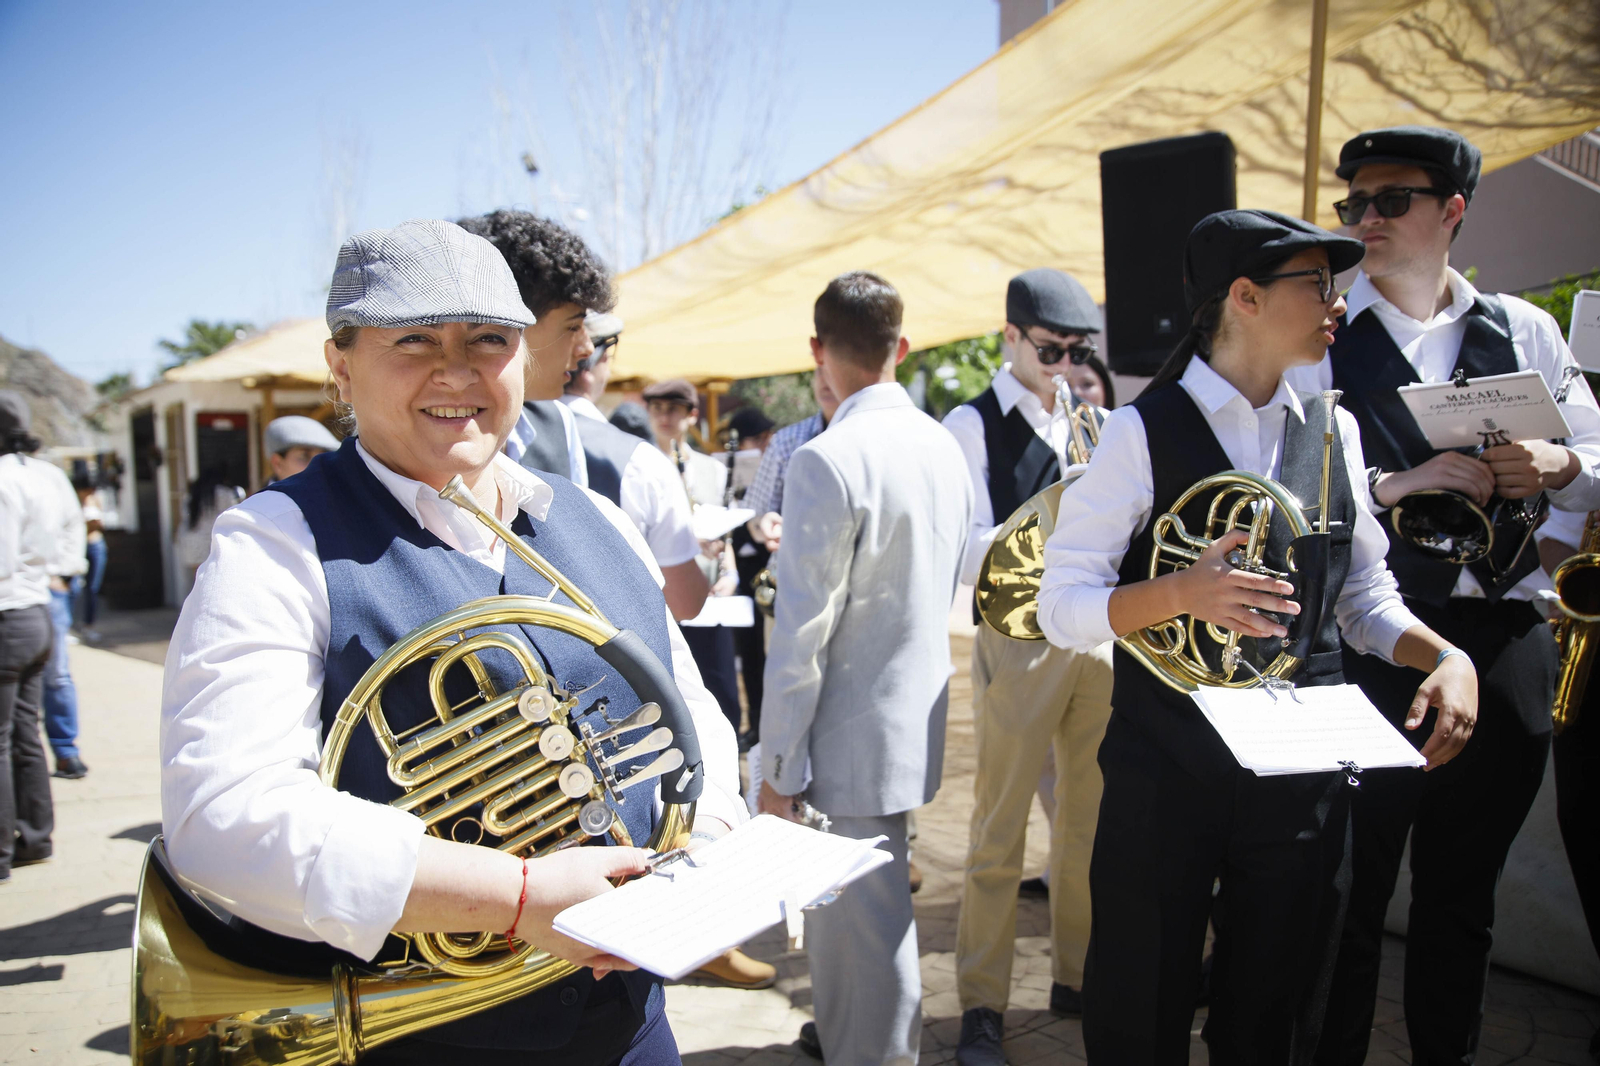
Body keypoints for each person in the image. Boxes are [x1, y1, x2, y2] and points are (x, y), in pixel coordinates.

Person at [161, 219, 745, 1063]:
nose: (458, 371)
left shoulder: (599, 519)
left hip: (632, 1025)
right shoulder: (274, 544)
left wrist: (710, 834)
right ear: (339, 365)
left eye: (488, 340)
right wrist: (516, 896)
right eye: (414, 341)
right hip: (429, 1038)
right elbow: (225, 814)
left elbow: (689, 713)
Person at [1037, 209, 1480, 1064]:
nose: (1337, 302)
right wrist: (1181, 592)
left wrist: (1445, 656)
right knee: (1140, 1005)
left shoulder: (1334, 430)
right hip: (1165, 766)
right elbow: (1062, 608)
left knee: (1276, 1011)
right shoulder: (1137, 431)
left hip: (1298, 771)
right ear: (1243, 297)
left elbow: (1362, 595)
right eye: (1316, 284)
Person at [1280, 127, 1600, 1066]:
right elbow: (1283, 474)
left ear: (1453, 210)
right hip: (1366, 642)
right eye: (1354, 205)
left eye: (1391, 201)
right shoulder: (1322, 333)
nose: (1365, 220)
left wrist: (1559, 463)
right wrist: (1392, 486)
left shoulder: (1526, 330)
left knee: (1464, 901)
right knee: (1347, 895)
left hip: (1501, 637)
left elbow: (1594, 459)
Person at [759, 271, 973, 1066]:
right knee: (862, 931)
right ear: (901, 347)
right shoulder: (943, 445)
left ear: (817, 351)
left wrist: (777, 766)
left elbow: (801, 635)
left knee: (866, 937)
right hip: (911, 720)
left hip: (844, 740)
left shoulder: (828, 458)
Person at [945, 267, 1114, 1064]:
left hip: (1098, 636)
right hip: (1018, 638)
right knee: (999, 825)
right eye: (1051, 350)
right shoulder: (970, 423)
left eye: (1079, 352)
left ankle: (1078, 976)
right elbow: (967, 551)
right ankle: (982, 1001)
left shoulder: (1092, 418)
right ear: (1010, 336)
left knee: (1089, 822)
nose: (1066, 367)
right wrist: (1054, 511)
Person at [462, 212, 710, 624]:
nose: (585, 349)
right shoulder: (430, 434)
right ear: (511, 324)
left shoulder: (557, 427)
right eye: (573, 326)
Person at [642, 379, 742, 732]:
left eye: (673, 409)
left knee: (721, 689)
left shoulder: (712, 469)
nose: (664, 417)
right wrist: (691, 541)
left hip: (709, 595)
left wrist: (730, 575)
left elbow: (725, 533)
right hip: (662, 597)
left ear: (691, 415)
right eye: (656, 408)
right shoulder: (641, 464)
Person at [0, 391, 59, 884]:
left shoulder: (3, 479)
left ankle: (2, 851)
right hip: (37, 608)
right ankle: (36, 836)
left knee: (6, 738)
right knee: (25, 732)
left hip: (8, 612)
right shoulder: (39, 475)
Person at [32, 451, 86, 781]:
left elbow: (72, 523)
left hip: (45, 587)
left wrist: (64, 574)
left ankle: (65, 750)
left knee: (57, 674)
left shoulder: (46, 475)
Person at [742, 372, 840, 554]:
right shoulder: (786, 441)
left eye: (836, 368)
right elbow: (753, 519)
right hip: (795, 566)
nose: (826, 379)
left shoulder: (879, 438)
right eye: (820, 369)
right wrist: (767, 525)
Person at [73, 475, 107, 642]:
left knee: (93, 588)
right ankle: (70, 626)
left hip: (95, 544)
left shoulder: (96, 500)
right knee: (73, 588)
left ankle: (89, 625)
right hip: (78, 547)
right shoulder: (73, 502)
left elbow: (103, 523)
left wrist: (95, 523)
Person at [263, 415, 340, 483]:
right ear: (277, 464)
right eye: (304, 456)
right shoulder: (262, 496)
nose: (318, 466)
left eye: (324, 457)